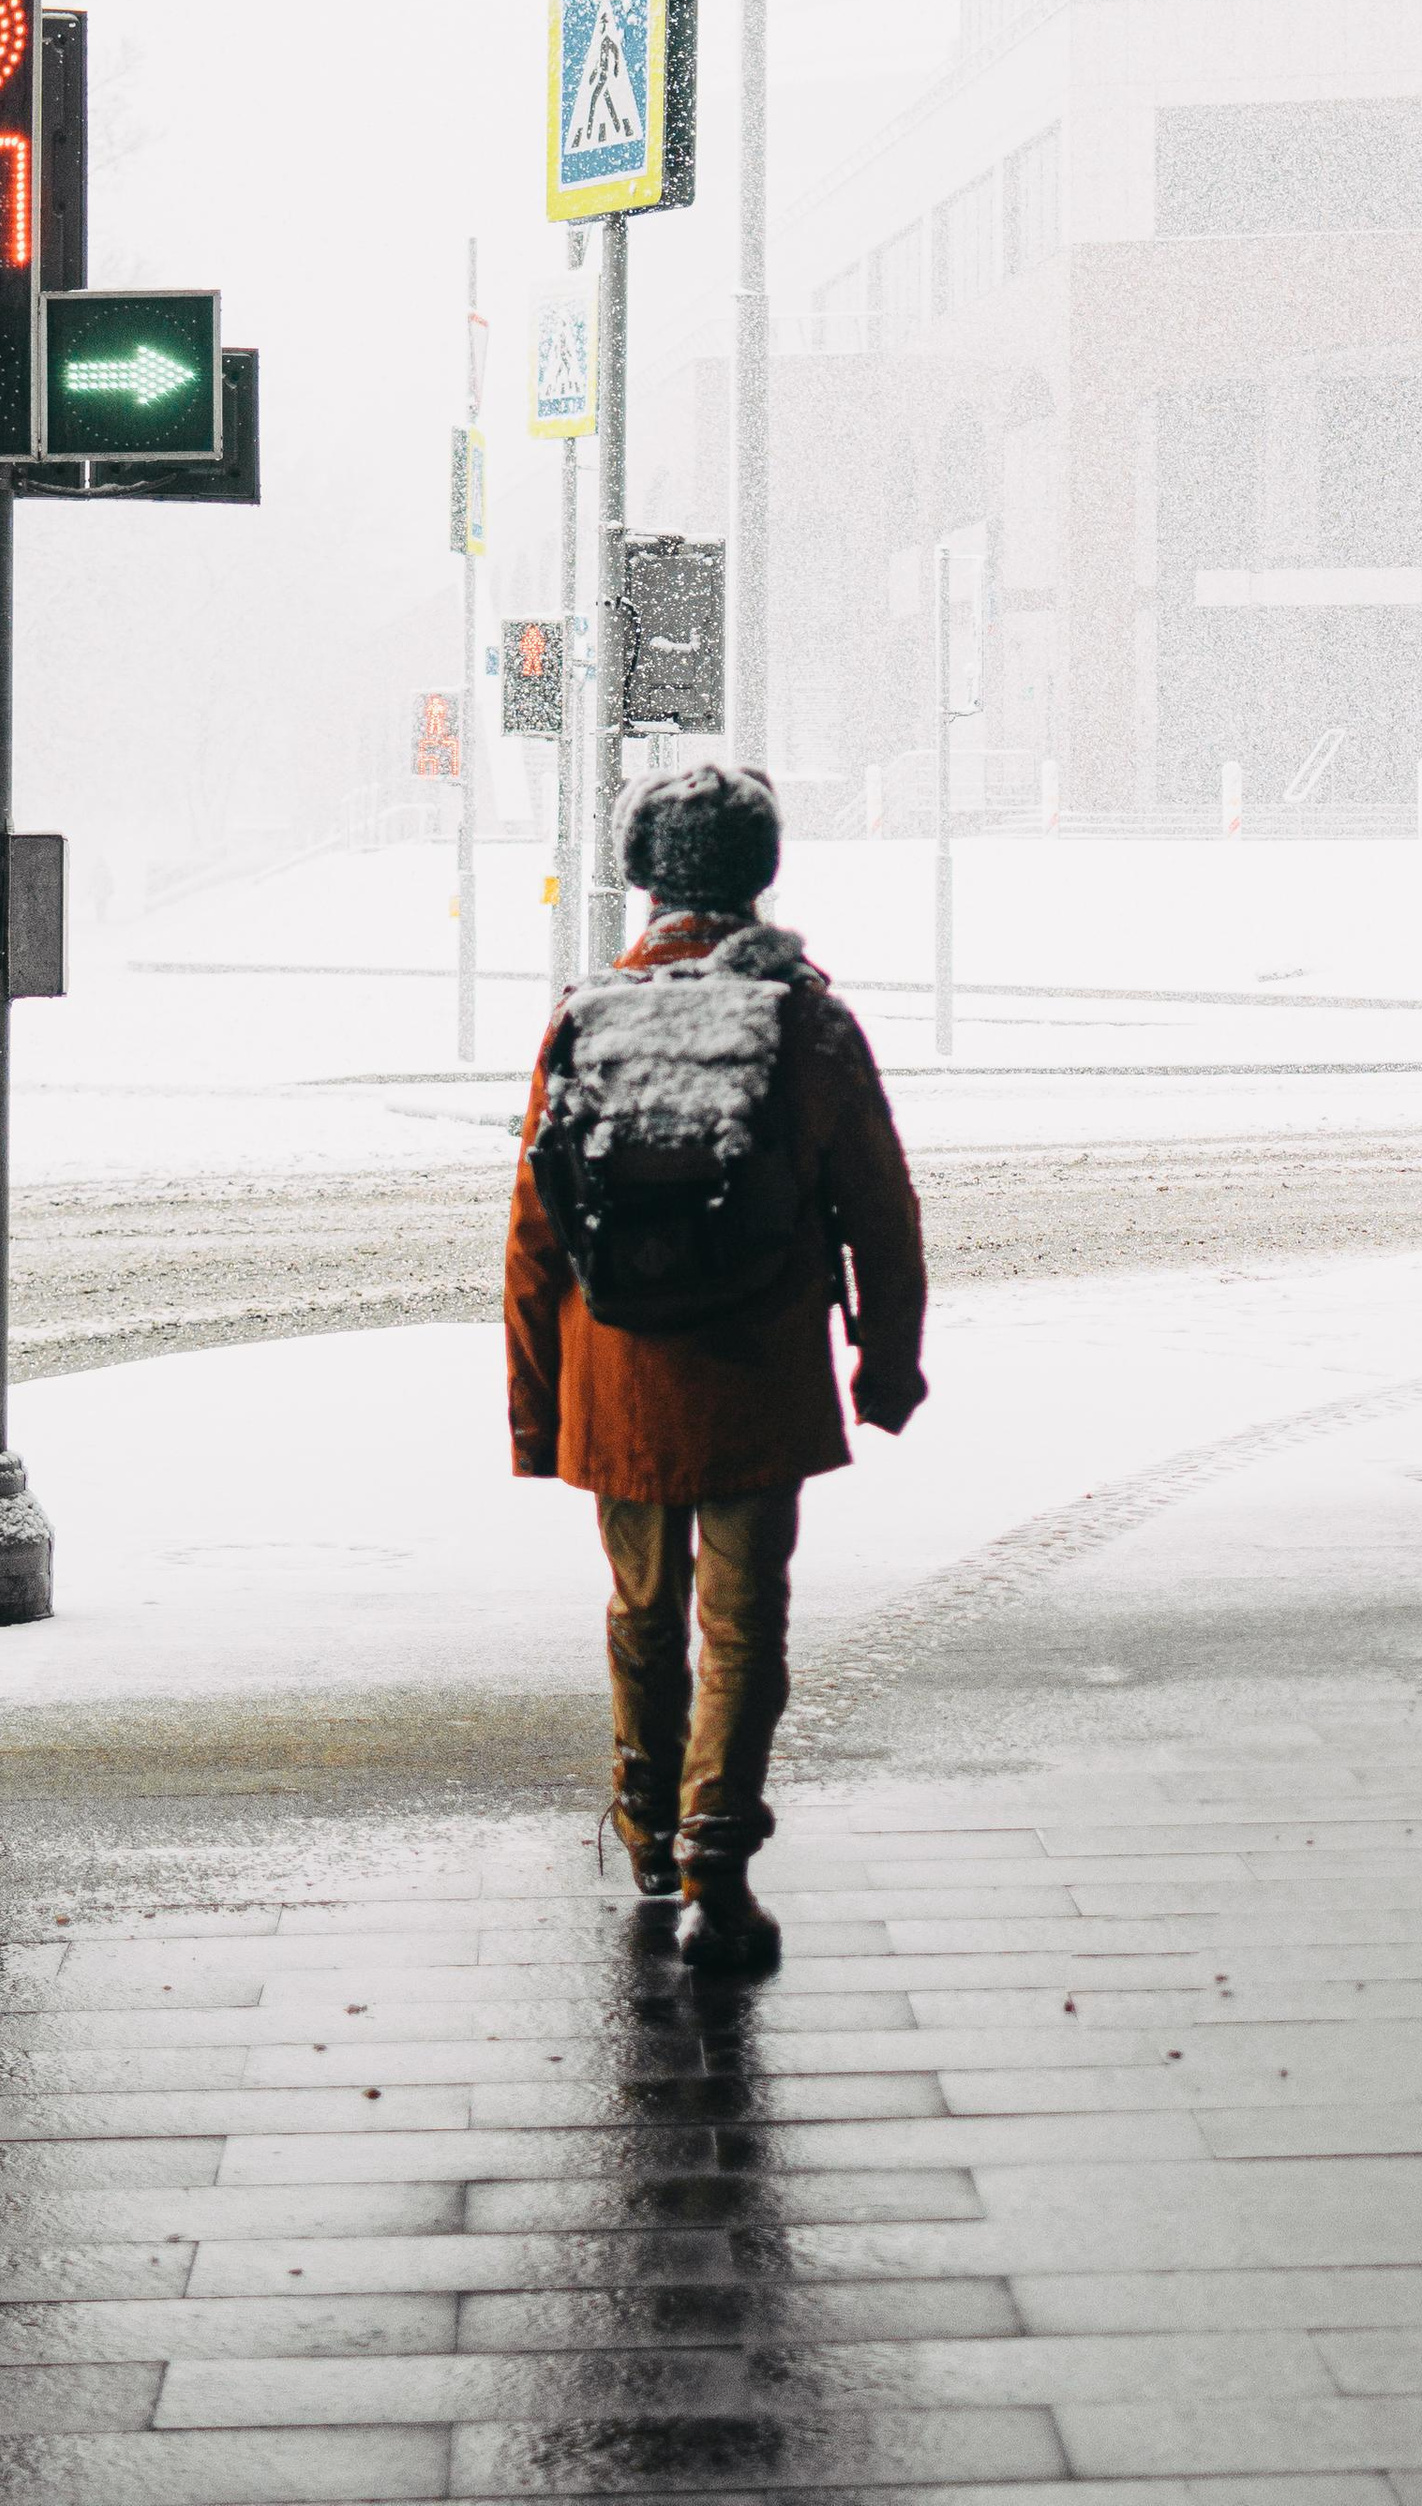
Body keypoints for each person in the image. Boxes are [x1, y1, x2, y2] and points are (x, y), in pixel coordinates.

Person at [505, 760, 926, 1972]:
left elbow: (535, 1240)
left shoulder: (587, 1016)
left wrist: (538, 1411)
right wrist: (883, 1366)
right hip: (760, 1370)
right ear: (760, 873)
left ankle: (644, 1820)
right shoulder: (808, 1023)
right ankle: (717, 1859)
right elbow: (880, 1211)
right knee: (744, 1623)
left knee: (643, 1612)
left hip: (619, 1376)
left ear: (645, 876)